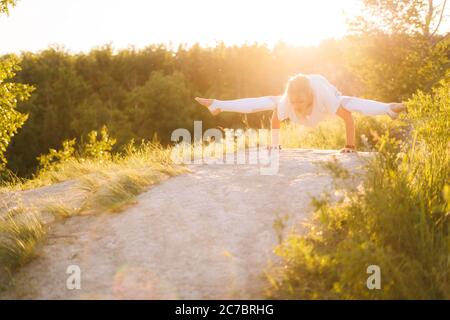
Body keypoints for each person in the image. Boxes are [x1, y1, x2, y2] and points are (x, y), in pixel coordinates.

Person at [195, 74, 406, 153]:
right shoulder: (288, 100)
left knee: (350, 103)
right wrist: (275, 143)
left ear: (309, 95)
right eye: (294, 100)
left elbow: (348, 118)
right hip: (306, 94)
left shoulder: (324, 98)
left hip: (326, 100)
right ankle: (218, 105)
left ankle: (388, 108)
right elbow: (275, 117)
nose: (296, 104)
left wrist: (350, 146)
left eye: (300, 100)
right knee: (266, 102)